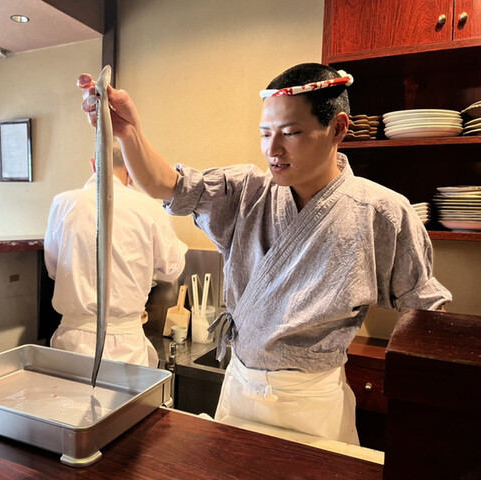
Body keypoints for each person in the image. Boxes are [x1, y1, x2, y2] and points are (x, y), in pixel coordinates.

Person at [78, 63, 452, 444]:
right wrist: (128, 131)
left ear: (338, 128)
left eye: (290, 133)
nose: (272, 150)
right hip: (240, 390)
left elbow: (424, 314)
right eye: (265, 133)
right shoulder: (247, 193)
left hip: (313, 405)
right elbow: (167, 185)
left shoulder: (380, 213)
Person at [44, 140, 187, 368]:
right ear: (130, 169)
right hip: (127, 348)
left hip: (73, 343)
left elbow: (54, 269)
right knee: (123, 394)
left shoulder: (62, 203)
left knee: (70, 392)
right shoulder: (149, 208)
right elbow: (172, 270)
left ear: (93, 165)